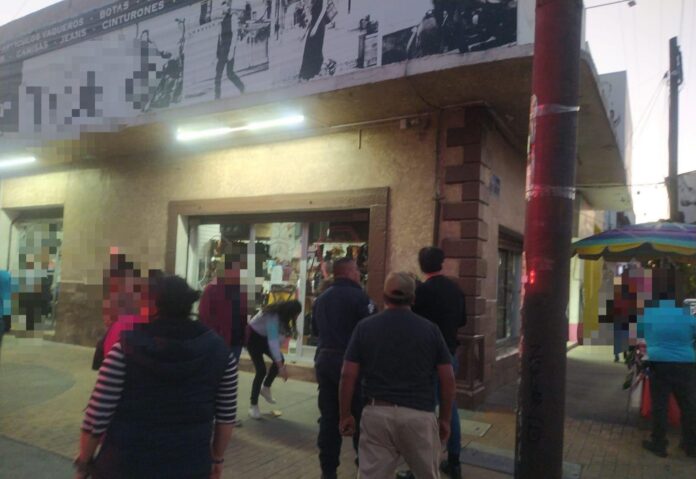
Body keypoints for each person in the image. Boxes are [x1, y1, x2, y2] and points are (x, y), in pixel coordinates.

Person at [76, 275, 237, 479]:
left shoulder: (124, 348)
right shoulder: (221, 354)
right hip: (190, 465)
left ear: (154, 305)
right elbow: (226, 418)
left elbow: (97, 415)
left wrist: (84, 463)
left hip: (125, 465)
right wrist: (217, 458)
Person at [339, 272, 455, 479]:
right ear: (413, 299)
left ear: (384, 296)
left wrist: (345, 414)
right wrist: (445, 419)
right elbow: (448, 378)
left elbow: (347, 375)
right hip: (419, 415)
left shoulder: (365, 327)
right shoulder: (430, 330)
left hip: (377, 413)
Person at [397, 246, 467, 479]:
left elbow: (411, 322)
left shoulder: (421, 292)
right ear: (442, 263)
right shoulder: (455, 289)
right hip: (449, 354)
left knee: (423, 410)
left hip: (425, 358)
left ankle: (419, 466)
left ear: (422, 265)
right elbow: (463, 320)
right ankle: (454, 461)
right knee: (450, 407)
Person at [312, 257, 375, 479]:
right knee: (359, 416)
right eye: (356, 270)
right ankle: (363, 466)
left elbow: (315, 330)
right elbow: (371, 332)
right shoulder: (361, 298)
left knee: (329, 418)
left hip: (325, 362)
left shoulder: (321, 299)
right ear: (348, 272)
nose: (359, 274)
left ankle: (328, 470)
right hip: (352, 366)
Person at [639, 273, 696, 458]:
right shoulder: (688, 315)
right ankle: (691, 445)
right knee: (688, 405)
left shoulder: (650, 314)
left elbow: (642, 334)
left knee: (660, 405)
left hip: (659, 363)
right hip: (686, 364)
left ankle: (659, 444)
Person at [247, 299, 302, 419]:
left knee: (280, 359)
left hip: (264, 338)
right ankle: (253, 405)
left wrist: (280, 364)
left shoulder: (282, 317)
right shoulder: (272, 316)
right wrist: (281, 368)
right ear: (291, 312)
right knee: (261, 370)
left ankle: (265, 388)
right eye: (296, 314)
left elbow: (277, 341)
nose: (296, 317)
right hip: (252, 339)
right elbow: (273, 343)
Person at [199, 256, 248, 362]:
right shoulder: (212, 289)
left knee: (231, 369)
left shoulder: (242, 289)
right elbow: (204, 317)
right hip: (217, 341)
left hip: (236, 340)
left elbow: (243, 315)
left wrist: (245, 336)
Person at [215, 1, 245, 99]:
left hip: (229, 49)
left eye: (224, 7)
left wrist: (231, 51)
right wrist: (217, 52)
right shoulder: (221, 19)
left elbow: (235, 34)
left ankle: (242, 87)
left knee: (229, 74)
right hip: (222, 51)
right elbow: (219, 37)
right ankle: (217, 97)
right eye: (221, 7)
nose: (222, 9)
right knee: (218, 74)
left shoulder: (233, 17)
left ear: (228, 7)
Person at [299, 0, 328, 81]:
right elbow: (312, 17)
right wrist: (304, 33)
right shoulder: (313, 1)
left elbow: (323, 10)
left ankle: (313, 72)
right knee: (308, 48)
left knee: (316, 49)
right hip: (313, 25)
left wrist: (315, 27)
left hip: (320, 25)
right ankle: (306, 74)